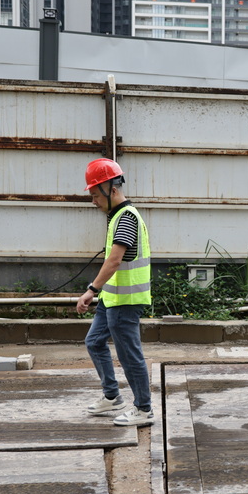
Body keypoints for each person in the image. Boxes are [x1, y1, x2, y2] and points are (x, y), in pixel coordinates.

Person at [78, 158, 155, 427]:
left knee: (129, 355)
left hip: (126, 300)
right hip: (112, 298)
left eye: (94, 194)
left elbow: (114, 261)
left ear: (111, 189)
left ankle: (143, 409)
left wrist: (91, 290)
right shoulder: (116, 217)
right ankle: (112, 396)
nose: (93, 201)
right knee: (94, 341)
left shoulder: (126, 218)